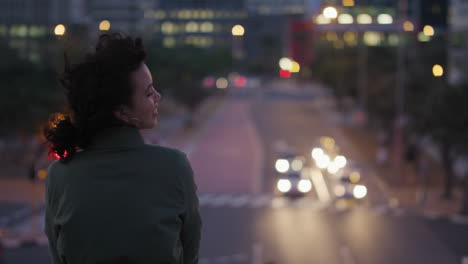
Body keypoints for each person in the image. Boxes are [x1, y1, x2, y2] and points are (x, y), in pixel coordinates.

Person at [43, 33, 201, 264]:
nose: (158, 96)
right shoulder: (174, 166)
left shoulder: (60, 174)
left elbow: (59, 257)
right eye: (148, 92)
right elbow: (190, 253)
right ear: (122, 111)